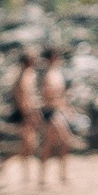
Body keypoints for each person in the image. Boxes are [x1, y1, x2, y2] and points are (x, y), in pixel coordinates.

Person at [0, 50, 41, 178]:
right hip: (24, 114)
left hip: (27, 113)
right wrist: (28, 115)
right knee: (28, 145)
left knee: (28, 146)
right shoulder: (22, 77)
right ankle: (21, 171)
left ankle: (5, 162)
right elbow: (22, 99)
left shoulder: (28, 75)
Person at [35, 47, 71, 186]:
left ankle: (57, 175)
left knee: (55, 143)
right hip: (51, 112)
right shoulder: (46, 74)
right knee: (60, 141)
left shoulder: (57, 73)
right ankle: (49, 177)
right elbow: (47, 94)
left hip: (58, 111)